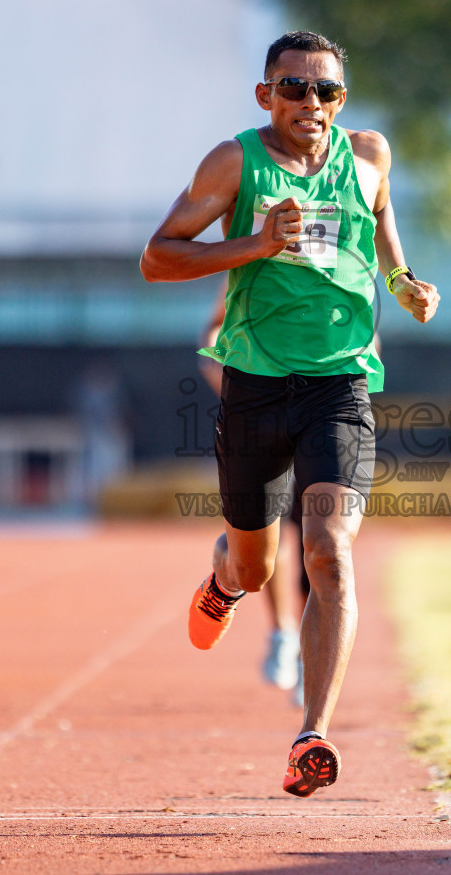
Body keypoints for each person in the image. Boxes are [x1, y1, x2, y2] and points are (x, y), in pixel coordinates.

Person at [142, 31, 440, 797]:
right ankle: (225, 578)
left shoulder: (369, 154)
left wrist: (405, 284)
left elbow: (382, 232)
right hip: (254, 382)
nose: (312, 104)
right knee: (256, 562)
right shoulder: (235, 163)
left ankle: (312, 734)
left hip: (341, 385)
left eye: (327, 91)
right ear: (265, 94)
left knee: (329, 553)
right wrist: (253, 244)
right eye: (296, 89)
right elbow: (158, 257)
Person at [200, 283, 306, 697]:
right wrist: (223, 372)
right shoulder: (255, 251)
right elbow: (213, 327)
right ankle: (283, 635)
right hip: (262, 411)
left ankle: (306, 653)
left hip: (322, 412)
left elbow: (365, 331)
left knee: (323, 543)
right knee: (269, 538)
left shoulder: (344, 251)